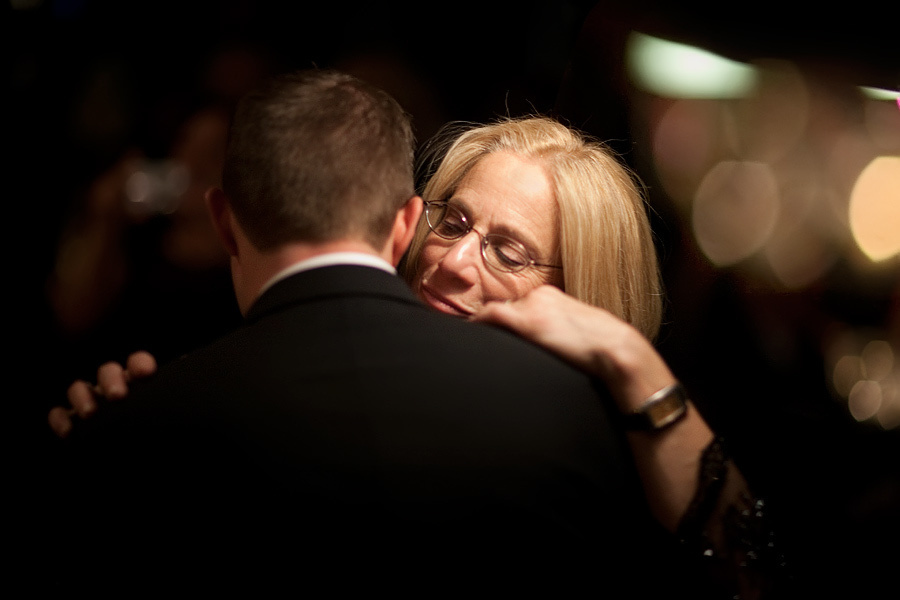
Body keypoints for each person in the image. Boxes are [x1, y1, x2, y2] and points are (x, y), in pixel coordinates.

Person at [46, 68, 714, 595]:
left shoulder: (608, 450)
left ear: (586, 295)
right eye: (451, 222)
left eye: (507, 253)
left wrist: (633, 362)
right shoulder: (289, 368)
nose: (452, 262)